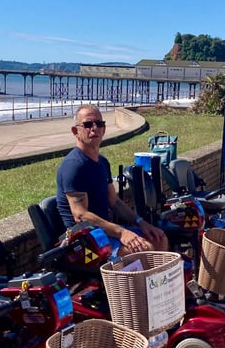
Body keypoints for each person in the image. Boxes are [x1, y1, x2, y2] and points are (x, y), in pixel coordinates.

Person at [56, 104, 168, 256]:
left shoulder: (102, 162)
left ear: (104, 129)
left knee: (159, 239)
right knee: (145, 250)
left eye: (99, 124)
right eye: (88, 124)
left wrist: (141, 223)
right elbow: (80, 215)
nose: (94, 128)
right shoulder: (74, 166)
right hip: (82, 245)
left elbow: (114, 201)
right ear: (76, 131)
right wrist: (121, 232)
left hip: (104, 233)